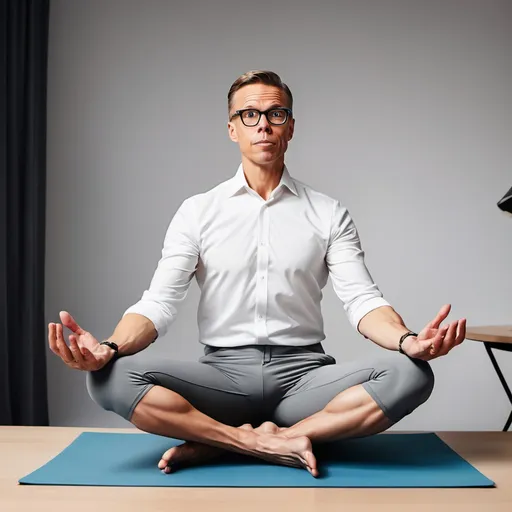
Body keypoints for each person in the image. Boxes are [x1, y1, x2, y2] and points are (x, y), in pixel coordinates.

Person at [48, 70, 466, 478]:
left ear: (290, 127)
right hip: (221, 380)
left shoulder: (327, 212)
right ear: (233, 129)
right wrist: (109, 347)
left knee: (411, 373)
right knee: (106, 379)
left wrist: (409, 341)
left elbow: (362, 300)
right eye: (249, 115)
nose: (263, 124)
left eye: (275, 114)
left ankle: (220, 443)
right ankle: (256, 441)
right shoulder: (199, 211)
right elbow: (158, 303)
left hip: (305, 379)